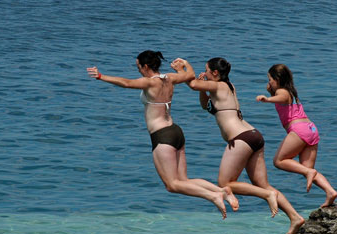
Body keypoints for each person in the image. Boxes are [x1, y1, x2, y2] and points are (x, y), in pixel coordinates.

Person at [87, 51, 235, 219]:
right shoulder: (169, 78)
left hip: (162, 135)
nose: (138, 71)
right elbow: (190, 75)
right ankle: (222, 191)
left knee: (172, 185)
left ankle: (213, 196)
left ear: (146, 67)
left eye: (138, 67)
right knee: (183, 181)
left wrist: (101, 76)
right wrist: (184, 64)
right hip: (175, 131)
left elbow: (126, 83)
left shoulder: (150, 83)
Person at [186, 57, 306, 234]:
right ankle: (295, 217)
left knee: (225, 183)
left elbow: (193, 84)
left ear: (215, 73)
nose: (205, 74)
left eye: (207, 71)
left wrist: (186, 68)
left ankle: (267, 196)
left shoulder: (220, 86)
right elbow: (206, 105)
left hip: (241, 139)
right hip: (253, 136)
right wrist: (203, 86)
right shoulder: (227, 87)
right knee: (261, 184)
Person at [256, 64, 337, 208]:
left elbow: (281, 97)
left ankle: (309, 172)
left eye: (270, 79)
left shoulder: (283, 92)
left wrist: (267, 99)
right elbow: (281, 98)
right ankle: (330, 191)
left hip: (299, 129)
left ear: (278, 79)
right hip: (311, 129)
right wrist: (271, 92)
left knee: (279, 161)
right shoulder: (292, 92)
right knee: (306, 168)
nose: (268, 83)